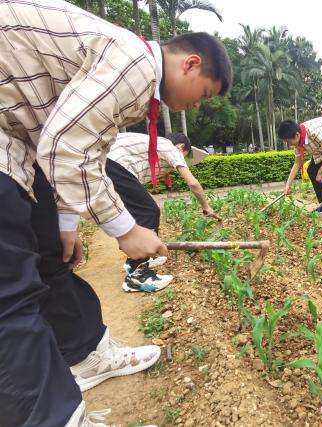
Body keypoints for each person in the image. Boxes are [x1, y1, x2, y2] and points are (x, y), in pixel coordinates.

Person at [0, 0, 232, 425]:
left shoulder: (133, 75)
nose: (196, 107)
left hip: (17, 149)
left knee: (50, 258)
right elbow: (66, 146)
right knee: (9, 295)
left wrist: (66, 224)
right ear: (191, 65)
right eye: (204, 95)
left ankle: (86, 356)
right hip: (11, 148)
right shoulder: (135, 64)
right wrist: (126, 231)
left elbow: (77, 149)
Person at [107, 132, 217, 292]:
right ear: (181, 147)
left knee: (140, 213)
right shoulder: (170, 147)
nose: (183, 160)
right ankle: (138, 276)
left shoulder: (153, 145)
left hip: (102, 162)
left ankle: (136, 260)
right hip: (112, 164)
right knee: (149, 212)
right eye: (185, 156)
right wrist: (207, 207)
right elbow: (192, 183)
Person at [278, 117, 322, 219]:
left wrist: (320, 172)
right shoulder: (298, 141)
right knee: (311, 170)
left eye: (289, 141)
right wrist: (287, 185)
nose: (289, 145)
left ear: (297, 135)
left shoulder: (314, 132)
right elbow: (297, 163)